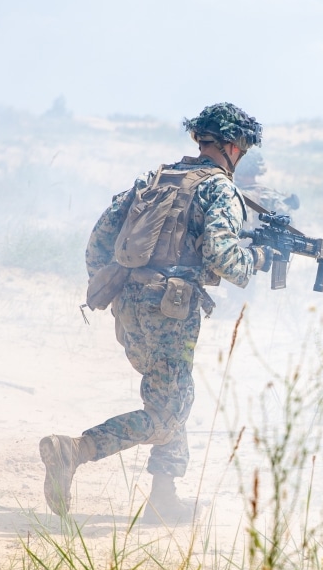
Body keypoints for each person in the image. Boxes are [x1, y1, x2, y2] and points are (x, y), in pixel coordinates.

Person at [39, 102, 276, 524]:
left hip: (130, 306)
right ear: (232, 145)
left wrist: (123, 289)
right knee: (166, 415)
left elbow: (98, 241)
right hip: (170, 311)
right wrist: (255, 259)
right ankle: (75, 450)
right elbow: (224, 258)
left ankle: (163, 498)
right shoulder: (219, 188)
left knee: (174, 395)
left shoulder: (157, 177)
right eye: (242, 147)